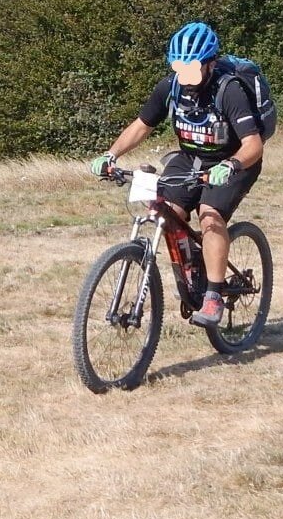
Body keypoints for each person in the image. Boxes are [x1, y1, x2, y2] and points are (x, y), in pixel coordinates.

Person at [90, 22, 264, 329]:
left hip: (232, 161)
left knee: (210, 217)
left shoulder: (230, 90)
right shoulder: (170, 87)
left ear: (210, 63)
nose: (186, 75)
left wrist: (231, 166)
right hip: (188, 159)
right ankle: (195, 264)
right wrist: (111, 155)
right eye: (180, 66)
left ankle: (213, 294)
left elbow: (253, 144)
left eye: (193, 67)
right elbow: (142, 125)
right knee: (164, 213)